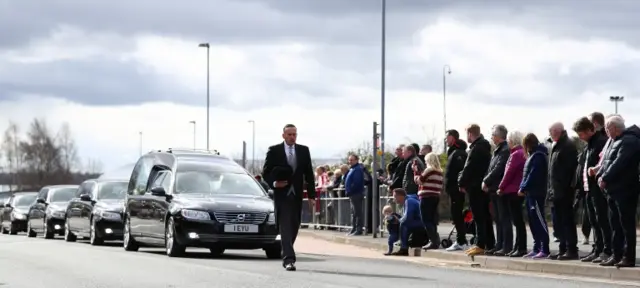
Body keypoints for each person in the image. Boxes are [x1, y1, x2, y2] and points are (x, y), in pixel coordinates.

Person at [262, 124, 316, 271]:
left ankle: (286, 248)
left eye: (295, 134)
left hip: (297, 194)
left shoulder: (303, 151)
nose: (292, 137)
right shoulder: (274, 151)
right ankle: (289, 259)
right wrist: (274, 183)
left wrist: (312, 195)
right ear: (284, 135)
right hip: (282, 194)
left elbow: (309, 174)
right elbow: (265, 173)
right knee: (285, 226)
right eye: (290, 134)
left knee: (294, 225)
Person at [596, 115, 640, 268]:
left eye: (607, 128)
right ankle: (616, 254)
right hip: (613, 190)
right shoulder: (615, 141)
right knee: (615, 224)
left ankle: (628, 257)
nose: (606, 131)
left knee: (626, 224)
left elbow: (619, 163)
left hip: (626, 189)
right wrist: (600, 175)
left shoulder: (630, 141)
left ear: (614, 128)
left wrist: (605, 177)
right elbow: (607, 162)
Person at [572, 116, 612, 263]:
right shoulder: (588, 145)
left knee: (602, 221)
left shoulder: (600, 142)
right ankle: (597, 249)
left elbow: (603, 164)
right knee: (594, 221)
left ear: (590, 130)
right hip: (588, 190)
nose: (580, 137)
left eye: (582, 134)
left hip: (598, 190)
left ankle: (607, 250)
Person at [458, 124, 493, 256]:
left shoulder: (476, 148)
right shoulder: (484, 147)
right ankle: (490, 243)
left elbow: (469, 168)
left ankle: (480, 244)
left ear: (470, 133)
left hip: (475, 186)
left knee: (479, 216)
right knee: (485, 216)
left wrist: (461, 182)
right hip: (481, 186)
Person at [547, 122, 579, 260]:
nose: (550, 135)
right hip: (556, 191)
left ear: (557, 131)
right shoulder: (557, 146)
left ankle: (571, 249)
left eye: (551, 132)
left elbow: (569, 171)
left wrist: (564, 188)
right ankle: (563, 248)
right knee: (559, 222)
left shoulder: (567, 146)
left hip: (565, 191)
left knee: (567, 221)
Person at [519, 133, 551, 259]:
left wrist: (523, 187)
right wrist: (522, 187)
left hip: (537, 193)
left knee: (539, 220)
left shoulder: (538, 156)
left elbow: (533, 175)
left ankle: (545, 248)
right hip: (530, 194)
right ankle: (536, 247)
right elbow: (525, 174)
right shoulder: (532, 156)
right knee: (532, 222)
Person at [497, 130, 527, 257]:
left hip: (512, 191)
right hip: (517, 190)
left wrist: (501, 187)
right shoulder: (522, 153)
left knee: (517, 221)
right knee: (518, 221)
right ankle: (518, 246)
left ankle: (520, 247)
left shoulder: (515, 154)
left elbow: (509, 173)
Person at [482, 124, 510, 255]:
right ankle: (499, 245)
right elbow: (491, 168)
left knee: (504, 219)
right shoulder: (497, 150)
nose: (492, 137)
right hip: (493, 189)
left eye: (493, 135)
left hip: (500, 189)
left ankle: (506, 246)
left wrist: (486, 181)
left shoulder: (504, 150)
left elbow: (498, 169)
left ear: (499, 136)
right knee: (498, 219)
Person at [443, 129, 469, 251]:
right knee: (456, 215)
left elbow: (461, 171)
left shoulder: (459, 153)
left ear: (452, 138)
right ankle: (461, 240)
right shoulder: (453, 152)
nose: (445, 140)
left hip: (457, 190)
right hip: (453, 190)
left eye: (447, 137)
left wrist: (460, 185)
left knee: (457, 215)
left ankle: (461, 241)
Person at [415, 152, 444, 250]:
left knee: (426, 219)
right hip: (435, 196)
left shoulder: (429, 170)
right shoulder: (439, 172)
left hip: (426, 196)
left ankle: (433, 240)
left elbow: (419, 181)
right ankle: (434, 240)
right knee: (432, 219)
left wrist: (416, 172)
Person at [389, 188, 425, 256]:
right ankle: (403, 244)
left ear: (400, 196)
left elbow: (407, 217)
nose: (394, 199)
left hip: (420, 223)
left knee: (403, 224)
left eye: (395, 196)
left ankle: (404, 248)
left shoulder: (408, 201)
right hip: (419, 221)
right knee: (403, 223)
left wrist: (398, 220)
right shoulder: (408, 200)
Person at [345, 154, 365, 236]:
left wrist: (350, 190)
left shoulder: (357, 169)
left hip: (356, 193)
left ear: (356, 160)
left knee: (357, 212)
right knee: (353, 212)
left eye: (352, 160)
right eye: (349, 160)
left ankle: (358, 229)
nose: (350, 161)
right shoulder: (352, 169)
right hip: (352, 194)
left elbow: (356, 183)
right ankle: (354, 228)